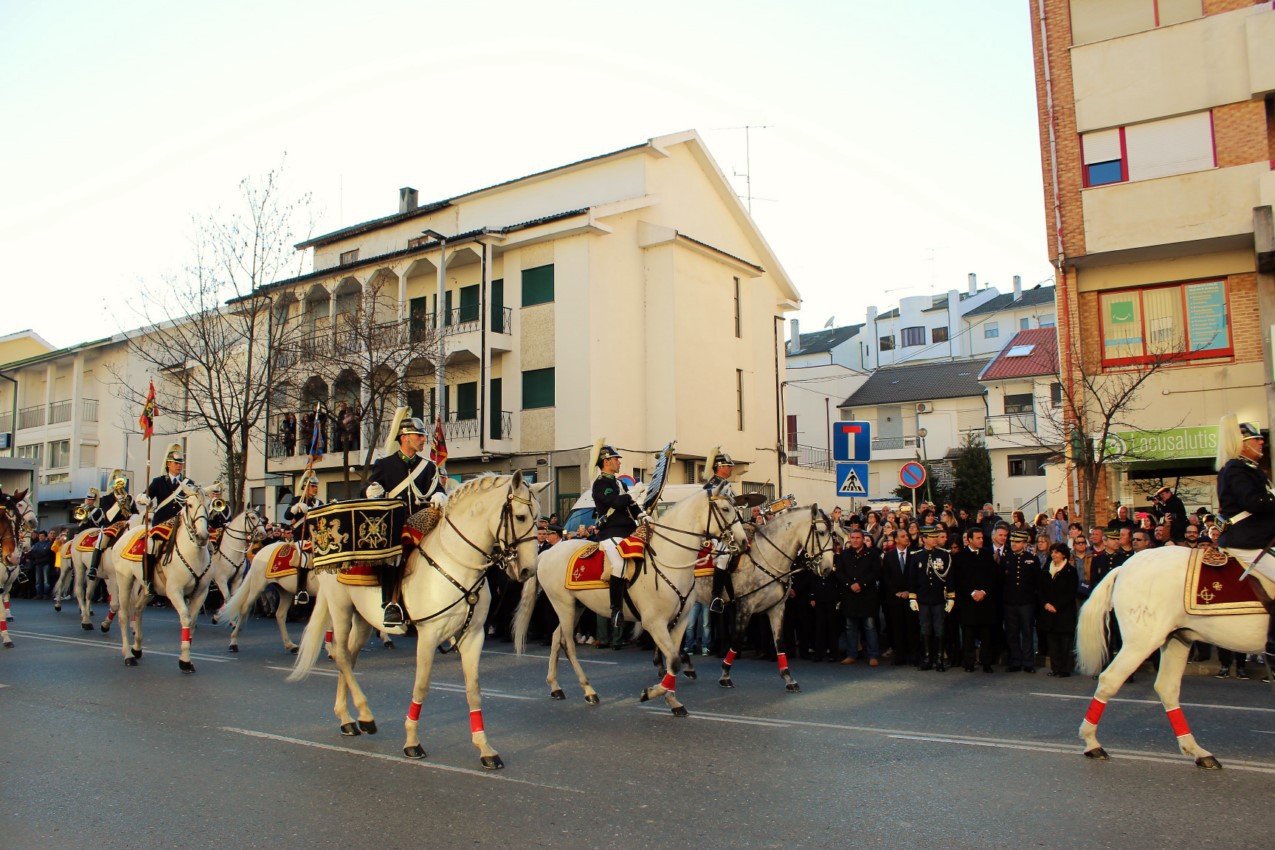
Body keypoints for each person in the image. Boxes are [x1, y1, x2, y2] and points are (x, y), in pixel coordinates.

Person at [366, 409, 441, 627]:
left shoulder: (428, 466)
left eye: (423, 437)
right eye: (419, 436)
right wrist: (369, 491)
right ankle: (391, 603)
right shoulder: (384, 464)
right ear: (405, 437)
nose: (423, 440)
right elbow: (370, 486)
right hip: (394, 522)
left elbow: (437, 488)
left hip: (422, 522)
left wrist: (440, 494)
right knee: (395, 553)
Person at [589, 442, 645, 630]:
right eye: (615, 459)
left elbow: (630, 505)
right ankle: (616, 610)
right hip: (611, 531)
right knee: (619, 564)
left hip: (629, 530)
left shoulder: (619, 482)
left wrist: (642, 515)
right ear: (606, 462)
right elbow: (617, 502)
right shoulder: (600, 484)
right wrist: (634, 493)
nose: (619, 463)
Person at [143, 445, 194, 592]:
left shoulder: (188, 483)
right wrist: (144, 498)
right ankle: (148, 580)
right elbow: (146, 494)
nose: (179, 466)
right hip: (162, 523)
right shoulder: (159, 481)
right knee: (151, 545)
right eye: (176, 463)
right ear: (168, 464)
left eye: (181, 464)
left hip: (181, 524)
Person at [907, 526, 954, 672]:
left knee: (939, 628)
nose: (935, 539)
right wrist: (912, 598)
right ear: (924, 539)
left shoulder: (944, 555)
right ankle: (927, 657)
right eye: (932, 537)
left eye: (936, 536)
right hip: (923, 598)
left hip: (939, 598)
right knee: (925, 628)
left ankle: (939, 658)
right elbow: (912, 579)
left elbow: (949, 578)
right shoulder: (916, 555)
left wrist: (951, 597)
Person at [836, 528, 882, 666]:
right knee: (850, 626)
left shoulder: (872, 554)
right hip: (849, 595)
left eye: (858, 538)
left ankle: (873, 655)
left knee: (869, 626)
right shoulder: (844, 554)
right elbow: (839, 572)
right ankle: (852, 654)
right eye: (853, 538)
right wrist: (850, 584)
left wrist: (861, 584)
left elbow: (876, 573)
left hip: (867, 594)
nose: (855, 540)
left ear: (863, 539)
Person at [955, 526, 997, 673]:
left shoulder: (987, 554)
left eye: (982, 538)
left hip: (985, 601)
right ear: (970, 540)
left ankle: (986, 662)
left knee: (986, 634)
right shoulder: (960, 557)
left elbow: (993, 576)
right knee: (968, 634)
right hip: (968, 602)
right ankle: (969, 662)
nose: (981, 540)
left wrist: (984, 591)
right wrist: (972, 592)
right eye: (978, 538)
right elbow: (959, 580)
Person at [1000, 529, 1039, 673]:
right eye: (1012, 542)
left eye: (1017, 542)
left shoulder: (1031, 559)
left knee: (1027, 632)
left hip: (1026, 602)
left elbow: (1036, 581)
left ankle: (1028, 662)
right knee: (1012, 632)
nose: (1013, 544)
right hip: (1010, 602)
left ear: (1024, 543)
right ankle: (1015, 660)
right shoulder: (1007, 558)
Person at [88, 472, 139, 581]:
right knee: (100, 541)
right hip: (110, 525)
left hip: (126, 524)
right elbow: (108, 515)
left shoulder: (129, 498)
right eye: (118, 483)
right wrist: (118, 503)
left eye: (122, 482)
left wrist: (130, 520)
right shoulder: (106, 499)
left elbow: (135, 512)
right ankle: (93, 567)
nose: (120, 486)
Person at [704, 451, 737, 613]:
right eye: (728, 466)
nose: (731, 469)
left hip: (728, 529)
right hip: (714, 531)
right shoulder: (713, 485)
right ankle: (716, 596)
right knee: (724, 556)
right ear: (720, 467)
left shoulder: (725, 484)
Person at [881, 527, 919, 666]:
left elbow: (916, 576)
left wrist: (909, 591)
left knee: (912, 627)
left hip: (911, 597)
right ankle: (900, 655)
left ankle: (914, 655)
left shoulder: (914, 554)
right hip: (895, 598)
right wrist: (895, 592)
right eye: (903, 536)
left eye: (907, 536)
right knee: (897, 627)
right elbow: (886, 577)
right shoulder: (889, 556)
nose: (906, 538)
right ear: (896, 539)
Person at [1040, 543, 1078, 677]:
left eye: (1056, 552)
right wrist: (1045, 604)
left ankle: (1065, 669)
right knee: (1053, 642)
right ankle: (1055, 668)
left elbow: (1071, 592)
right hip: (1049, 611)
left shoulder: (1070, 571)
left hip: (1064, 612)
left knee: (1065, 642)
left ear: (1063, 554)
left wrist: (1057, 605)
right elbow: (1041, 589)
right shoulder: (1046, 568)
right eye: (1052, 552)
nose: (1054, 555)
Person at [287, 472, 324, 605]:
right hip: (301, 537)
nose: (315, 488)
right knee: (304, 558)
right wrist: (295, 509)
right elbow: (286, 516)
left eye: (316, 486)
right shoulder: (297, 500)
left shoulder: (319, 502)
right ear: (305, 487)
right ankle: (301, 590)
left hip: (317, 537)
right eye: (312, 486)